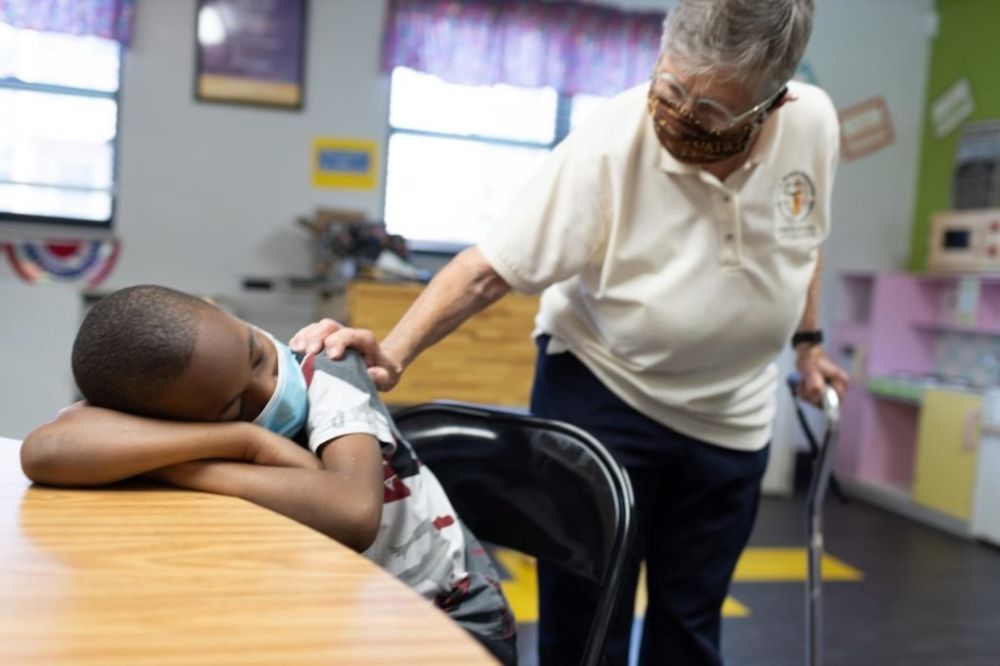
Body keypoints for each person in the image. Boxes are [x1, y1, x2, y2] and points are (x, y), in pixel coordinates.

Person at [290, 1, 849, 664]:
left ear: (773, 103)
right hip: (606, 395)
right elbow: (488, 269)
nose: (678, 114)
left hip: (735, 418)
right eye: (670, 87)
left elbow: (803, 242)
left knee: (692, 622)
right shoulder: (607, 145)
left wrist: (808, 343)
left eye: (710, 111)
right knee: (586, 621)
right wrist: (398, 351)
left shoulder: (814, 123)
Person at [19, 285, 517, 665]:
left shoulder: (329, 366)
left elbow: (352, 510)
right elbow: (45, 451)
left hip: (452, 622)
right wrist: (238, 443)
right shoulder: (184, 397)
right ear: (173, 417)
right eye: (234, 405)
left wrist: (217, 449)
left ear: (219, 307)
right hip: (340, 606)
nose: (271, 385)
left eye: (256, 354)